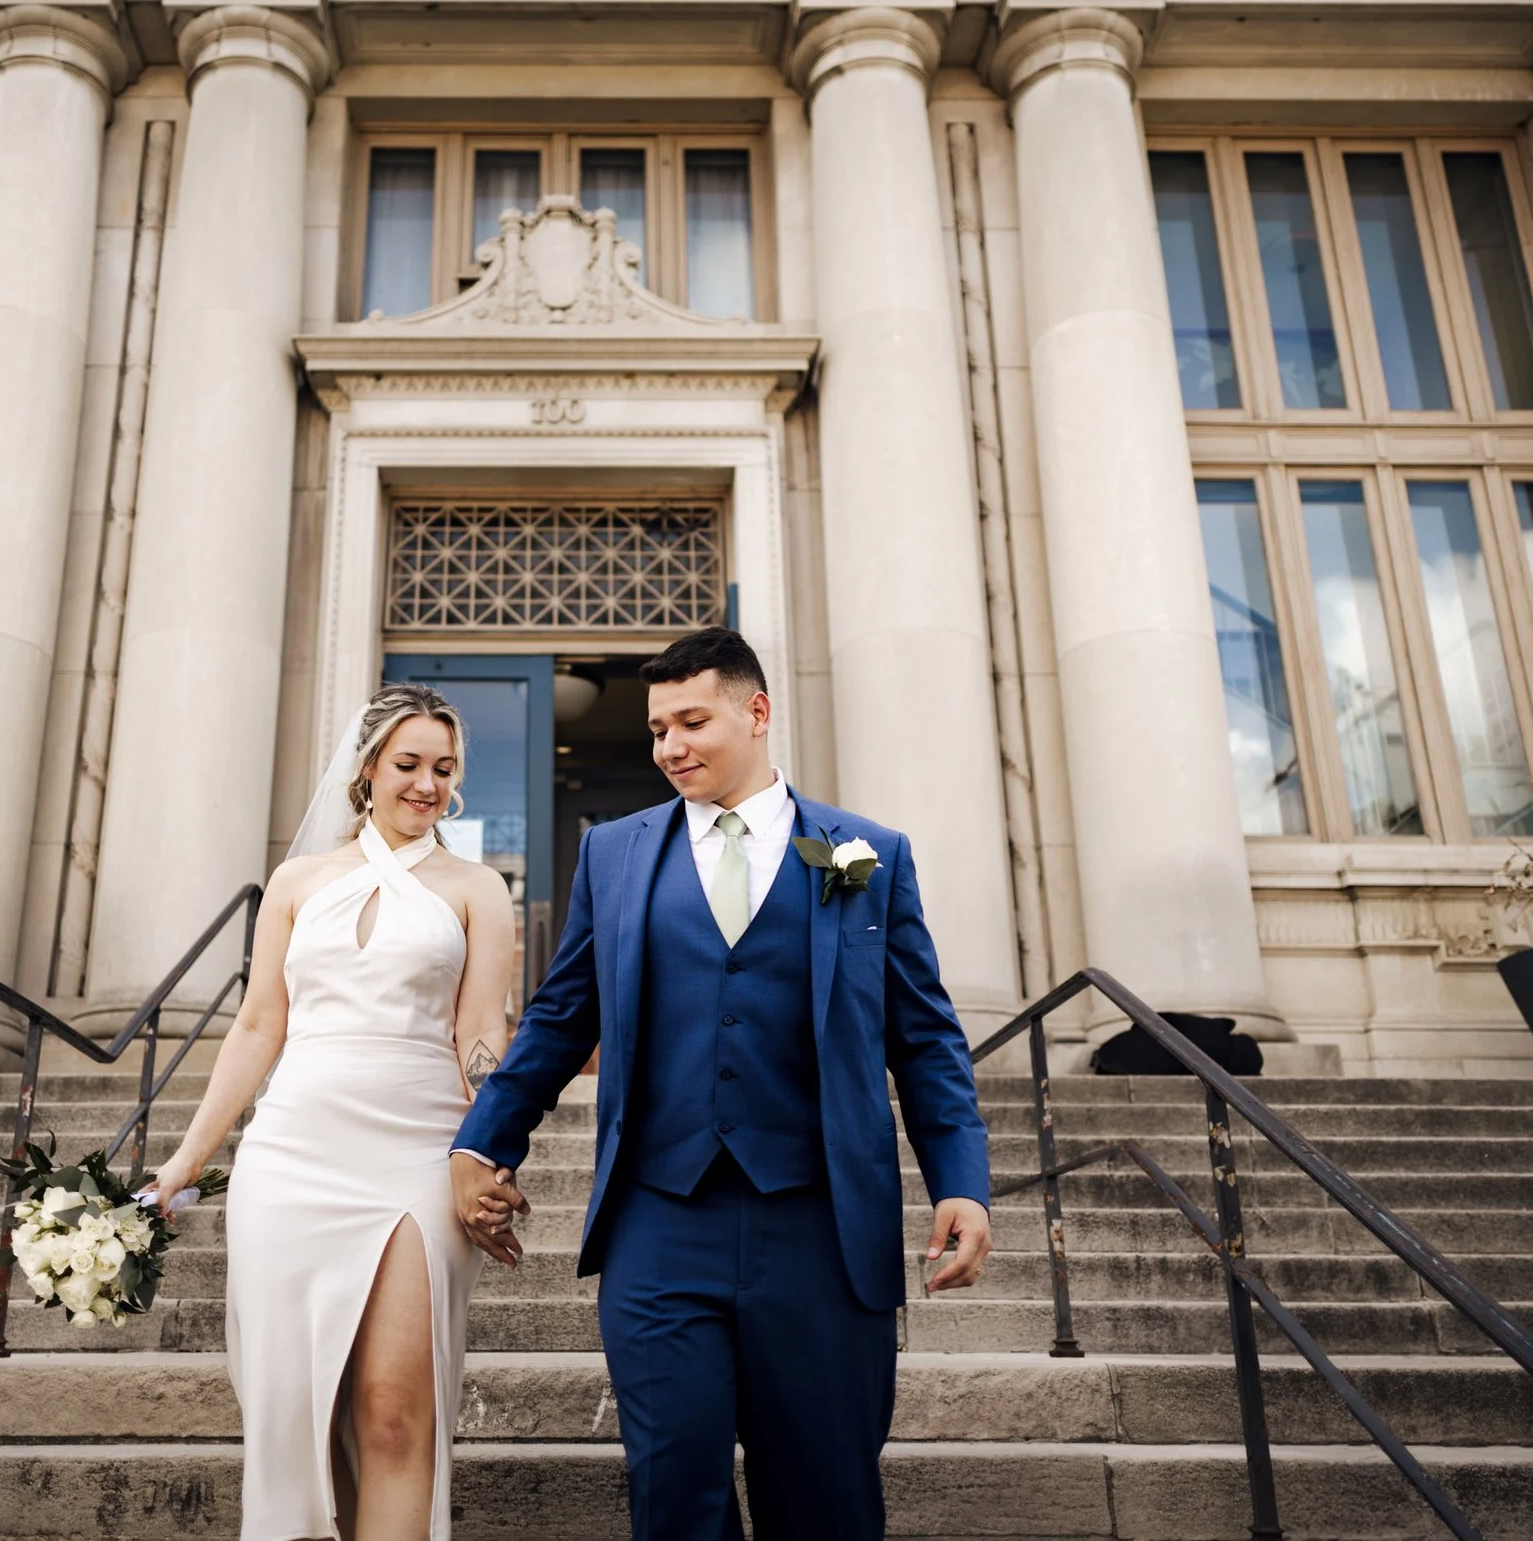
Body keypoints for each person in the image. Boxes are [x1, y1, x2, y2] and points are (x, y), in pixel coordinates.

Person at [450, 627, 993, 1541]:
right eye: (658, 729)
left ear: (758, 712)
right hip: (660, 1222)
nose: (669, 748)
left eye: (691, 722)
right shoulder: (615, 855)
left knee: (827, 1505)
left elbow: (927, 1038)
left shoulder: (869, 854)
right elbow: (559, 1014)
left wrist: (963, 1182)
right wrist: (482, 1141)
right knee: (673, 1499)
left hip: (822, 1227)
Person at [144, 683, 519, 1541]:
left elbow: (482, 1034)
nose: (427, 784)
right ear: (368, 770)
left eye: (444, 769)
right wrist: (187, 1161)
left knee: (393, 1411)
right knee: (296, 1415)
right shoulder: (296, 881)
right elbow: (256, 1025)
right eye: (408, 765)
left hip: (419, 1153)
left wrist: (490, 1153)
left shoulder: (476, 888)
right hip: (294, 1152)